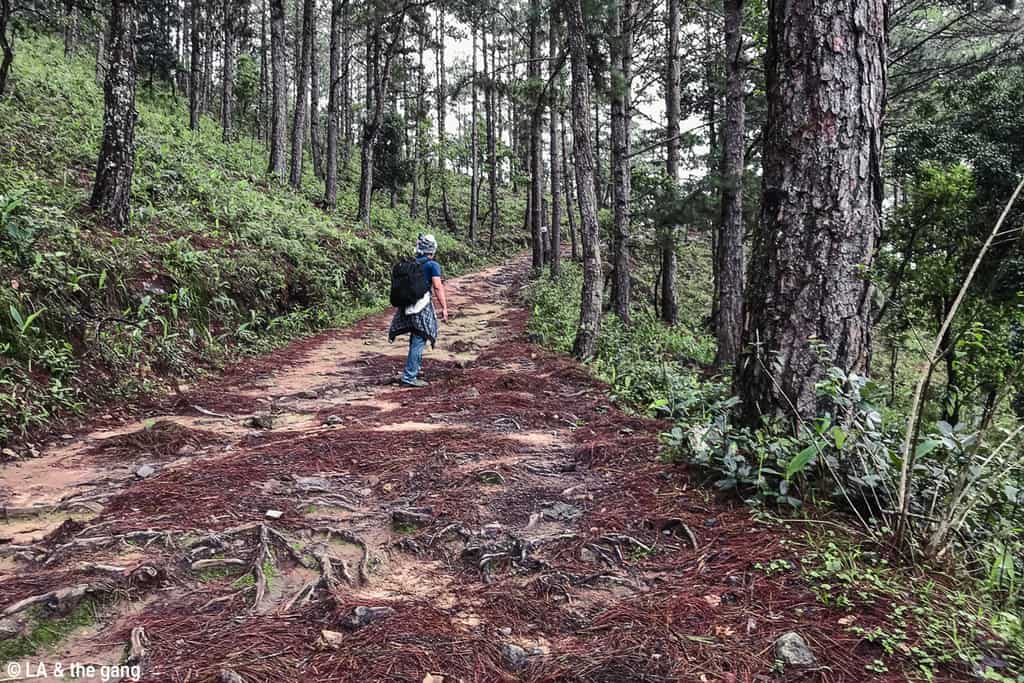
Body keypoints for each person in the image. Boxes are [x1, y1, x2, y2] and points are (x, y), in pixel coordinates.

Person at [388, 234, 449, 388]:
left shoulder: (413, 263)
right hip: (421, 307)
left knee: (415, 339)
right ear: (433, 249)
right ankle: (409, 377)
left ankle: (412, 370)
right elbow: (437, 287)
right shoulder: (432, 265)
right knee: (419, 339)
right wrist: (444, 307)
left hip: (407, 306)